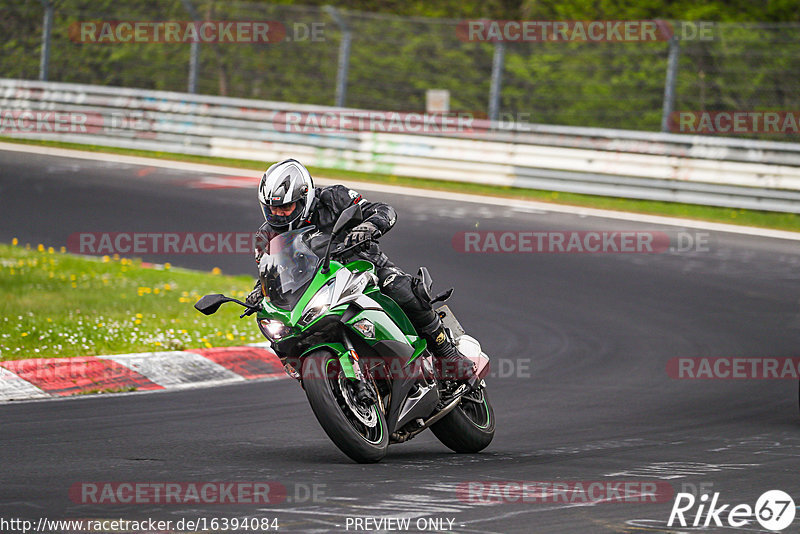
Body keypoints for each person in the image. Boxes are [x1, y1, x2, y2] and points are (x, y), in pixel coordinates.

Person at [247, 158, 475, 387]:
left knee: (401, 289)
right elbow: (270, 271)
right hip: (314, 287)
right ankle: (320, 382)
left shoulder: (333, 198)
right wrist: (259, 291)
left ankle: (447, 353)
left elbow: (383, 210)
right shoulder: (265, 236)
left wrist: (368, 226)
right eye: (272, 209)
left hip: (363, 266)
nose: (279, 215)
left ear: (304, 197)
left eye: (285, 208)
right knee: (283, 333)